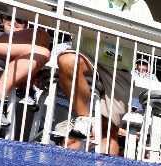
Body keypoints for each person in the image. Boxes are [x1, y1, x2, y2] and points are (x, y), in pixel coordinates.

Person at [56, 0, 154, 154]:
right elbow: (68, 17)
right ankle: (83, 118)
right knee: (67, 60)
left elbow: (151, 37)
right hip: (87, 58)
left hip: (119, 70)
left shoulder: (139, 5)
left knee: (109, 131)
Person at [0, 12, 51, 127]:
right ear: (1, 21)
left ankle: (23, 88)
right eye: (9, 17)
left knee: (41, 35)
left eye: (20, 20)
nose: (14, 21)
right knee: (42, 53)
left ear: (26, 24)